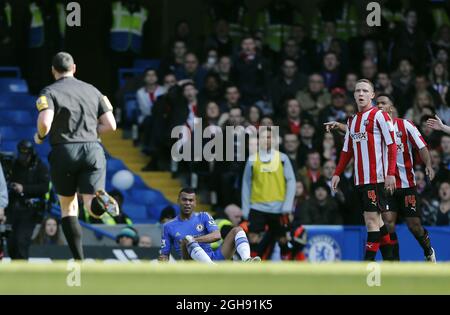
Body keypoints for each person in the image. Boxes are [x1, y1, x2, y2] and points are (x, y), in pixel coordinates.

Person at [34, 52, 119, 260]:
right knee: (92, 208)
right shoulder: (93, 90)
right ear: (74, 68)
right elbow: (111, 125)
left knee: (69, 206)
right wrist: (90, 131)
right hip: (92, 149)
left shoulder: (49, 92)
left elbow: (45, 122)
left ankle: (79, 260)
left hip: (64, 151)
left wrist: (39, 136)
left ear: (53, 70)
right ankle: (100, 198)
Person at [331, 79, 397, 261]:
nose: (361, 94)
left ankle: (367, 267)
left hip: (375, 179)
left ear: (373, 95)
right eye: (358, 91)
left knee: (371, 223)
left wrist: (390, 173)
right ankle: (392, 263)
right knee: (379, 223)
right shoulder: (352, 121)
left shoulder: (379, 116)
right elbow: (347, 150)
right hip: (360, 180)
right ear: (353, 95)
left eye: (365, 91)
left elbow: (392, 145)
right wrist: (337, 172)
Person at [376, 94, 436, 262]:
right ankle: (394, 262)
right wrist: (340, 126)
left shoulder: (405, 125)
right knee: (388, 223)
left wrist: (429, 165)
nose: (380, 105)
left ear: (391, 107)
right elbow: (356, 133)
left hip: (407, 185)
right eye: (377, 103)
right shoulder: (374, 129)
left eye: (383, 102)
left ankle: (428, 251)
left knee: (414, 226)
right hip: (386, 185)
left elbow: (421, 146)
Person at [159, 188, 260, 263]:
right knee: (187, 240)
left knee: (237, 230)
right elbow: (164, 255)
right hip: (191, 264)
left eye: (191, 200)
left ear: (195, 203)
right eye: (184, 200)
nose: (187, 203)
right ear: (178, 201)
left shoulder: (204, 216)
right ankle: (210, 269)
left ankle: (247, 259)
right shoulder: (168, 226)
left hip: (213, 257)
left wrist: (195, 239)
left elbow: (217, 235)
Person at [241, 127, 296, 260]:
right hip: (257, 207)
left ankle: (287, 268)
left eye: (270, 137)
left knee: (283, 240)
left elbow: (291, 181)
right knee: (253, 239)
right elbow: (246, 184)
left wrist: (287, 206)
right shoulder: (252, 160)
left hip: (279, 208)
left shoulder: (283, 159)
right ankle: (252, 269)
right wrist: (245, 208)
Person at [6, 140, 49, 259]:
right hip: (14, 209)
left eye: (26, 155)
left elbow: (44, 187)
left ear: (31, 154)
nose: (23, 158)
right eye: (21, 154)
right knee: (11, 242)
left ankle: (21, 271)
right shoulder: (14, 166)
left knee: (21, 240)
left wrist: (24, 188)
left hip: (30, 210)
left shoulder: (40, 167)